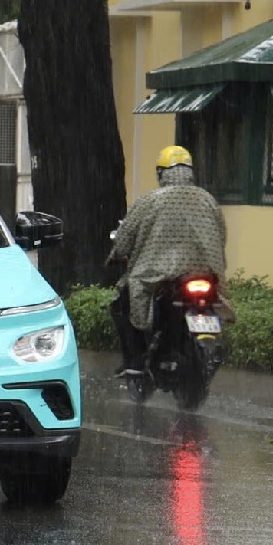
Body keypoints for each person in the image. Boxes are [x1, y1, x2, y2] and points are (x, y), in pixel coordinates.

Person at [106, 144, 227, 376]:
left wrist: (115, 254)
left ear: (161, 173)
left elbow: (126, 235)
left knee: (123, 301)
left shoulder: (150, 201)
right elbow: (221, 235)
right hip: (204, 271)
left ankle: (136, 361)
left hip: (158, 271)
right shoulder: (207, 199)